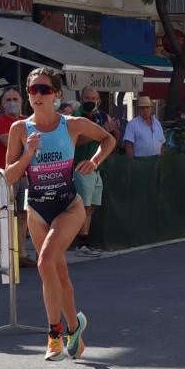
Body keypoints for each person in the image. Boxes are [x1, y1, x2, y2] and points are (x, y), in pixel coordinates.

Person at [4, 66, 114, 361]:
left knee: (45, 262)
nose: (37, 95)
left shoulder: (72, 124)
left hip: (68, 206)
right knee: (58, 272)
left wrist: (94, 161)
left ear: (56, 94)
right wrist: (28, 154)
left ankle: (54, 335)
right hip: (37, 208)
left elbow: (108, 139)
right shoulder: (20, 129)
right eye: (33, 90)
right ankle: (75, 328)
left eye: (44, 89)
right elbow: (9, 176)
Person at [0, 86, 31, 266]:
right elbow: (9, 143)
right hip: (6, 176)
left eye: (15, 99)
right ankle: (5, 256)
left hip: (26, 177)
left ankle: (21, 254)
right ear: (1, 103)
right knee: (5, 215)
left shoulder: (26, 121)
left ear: (22, 101)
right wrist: (29, 144)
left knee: (23, 214)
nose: (12, 103)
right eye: (8, 100)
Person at [73, 87, 113, 255]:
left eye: (93, 98)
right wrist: (102, 131)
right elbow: (76, 140)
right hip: (81, 167)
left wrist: (112, 129)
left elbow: (111, 139)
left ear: (98, 100)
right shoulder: (76, 117)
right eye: (87, 98)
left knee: (91, 207)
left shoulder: (100, 116)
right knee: (83, 206)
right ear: (81, 99)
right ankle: (79, 244)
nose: (90, 101)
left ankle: (85, 242)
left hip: (96, 168)